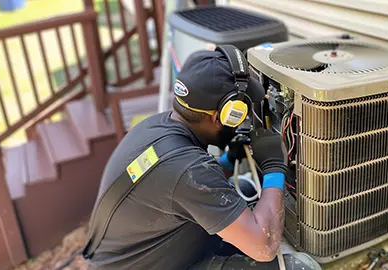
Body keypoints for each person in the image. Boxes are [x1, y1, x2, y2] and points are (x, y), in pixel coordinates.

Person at [84, 48, 319, 270]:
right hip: (152, 264)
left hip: (138, 254)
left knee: (245, 187)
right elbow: (264, 247)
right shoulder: (187, 169)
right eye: (241, 112)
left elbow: (184, 192)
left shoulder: (157, 126)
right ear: (222, 116)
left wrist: (228, 160)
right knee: (300, 267)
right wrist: (274, 168)